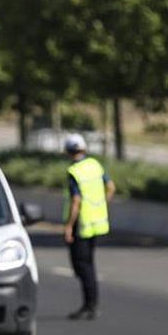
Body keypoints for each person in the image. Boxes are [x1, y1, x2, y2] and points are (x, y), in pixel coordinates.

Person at [63, 134, 116, 320]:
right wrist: (101, 205)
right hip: (97, 222)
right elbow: (111, 187)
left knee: (83, 266)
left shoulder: (74, 171)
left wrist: (69, 226)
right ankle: (90, 303)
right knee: (88, 265)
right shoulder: (95, 165)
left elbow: (76, 201)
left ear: (68, 151)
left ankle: (90, 305)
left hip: (82, 224)